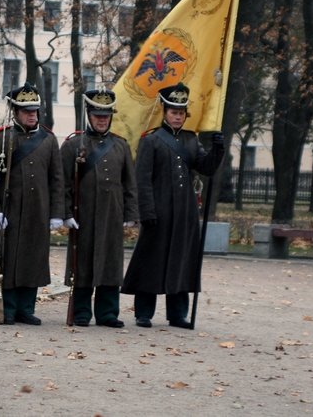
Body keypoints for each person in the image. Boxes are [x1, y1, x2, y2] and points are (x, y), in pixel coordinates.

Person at [121, 82, 225, 329]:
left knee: (182, 262)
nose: (177, 117)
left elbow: (207, 168)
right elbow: (142, 179)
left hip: (185, 212)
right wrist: (146, 211)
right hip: (159, 211)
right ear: (165, 112)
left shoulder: (191, 140)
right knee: (150, 262)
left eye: (181, 113)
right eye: (173, 112)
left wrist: (217, 149)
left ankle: (178, 314)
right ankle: (143, 313)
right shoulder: (151, 140)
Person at [0, 83, 65, 326]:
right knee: (8, 260)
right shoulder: (1, 138)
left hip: (39, 211)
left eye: (34, 111)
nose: (32, 115)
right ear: (15, 111)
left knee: (33, 260)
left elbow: (57, 180)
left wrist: (56, 213)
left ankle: (26, 308)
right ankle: (8, 308)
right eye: (26, 111)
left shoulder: (48, 139)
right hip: (10, 211)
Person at [60, 88, 139, 328]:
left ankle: (108, 313)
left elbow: (129, 183)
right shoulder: (73, 145)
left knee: (110, 263)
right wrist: (66, 214)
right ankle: (81, 311)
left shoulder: (120, 145)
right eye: (97, 115)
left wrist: (131, 213)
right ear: (88, 115)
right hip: (83, 214)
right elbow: (62, 184)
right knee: (82, 263)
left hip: (112, 214)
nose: (102, 120)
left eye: (106, 115)